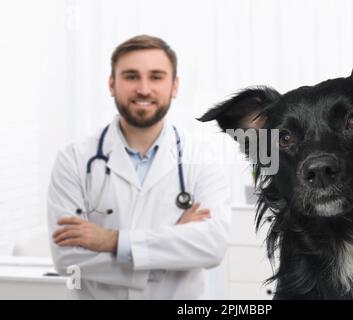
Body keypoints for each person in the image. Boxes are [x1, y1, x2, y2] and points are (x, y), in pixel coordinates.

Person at [47, 35, 231, 299]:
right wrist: (173, 248)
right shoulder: (74, 159)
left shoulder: (202, 158)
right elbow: (68, 259)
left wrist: (111, 241)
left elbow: (212, 247)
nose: (144, 89)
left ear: (174, 86)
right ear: (112, 84)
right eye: (131, 76)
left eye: (156, 77)